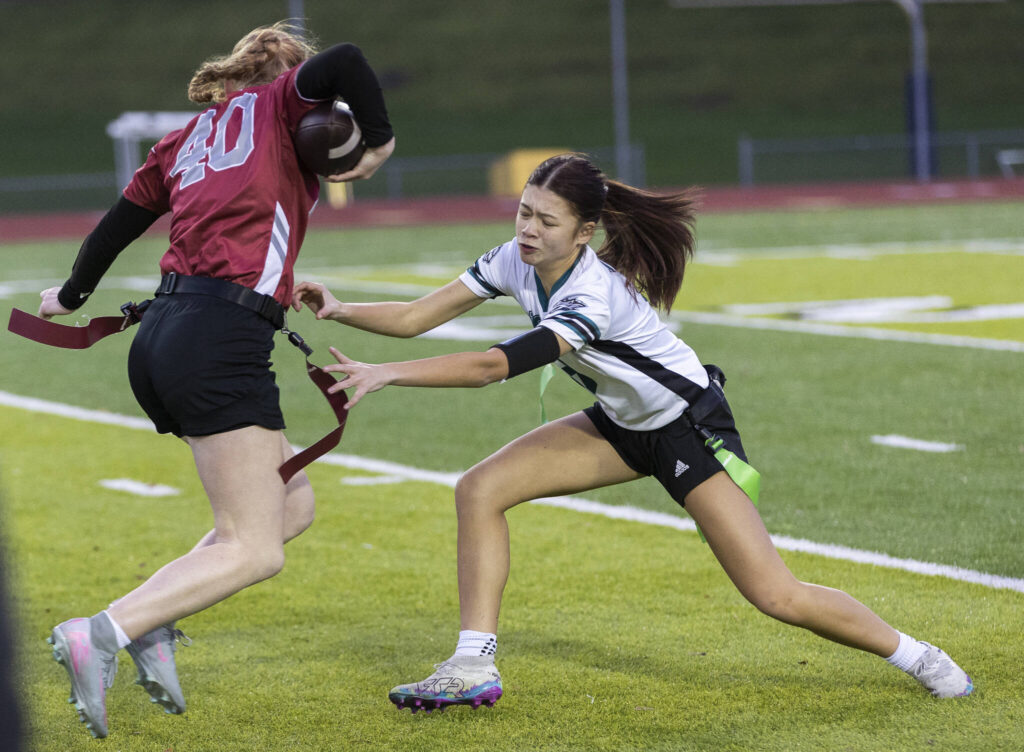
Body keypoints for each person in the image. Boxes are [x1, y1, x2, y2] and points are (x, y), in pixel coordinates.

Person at [292, 153, 973, 712]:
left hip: (686, 431)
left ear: (584, 232)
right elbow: (417, 314)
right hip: (620, 423)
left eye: (546, 221)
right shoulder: (511, 258)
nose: (527, 229)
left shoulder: (592, 297)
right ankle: (472, 663)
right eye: (524, 211)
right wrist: (341, 308)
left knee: (774, 594)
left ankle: (923, 658)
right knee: (480, 489)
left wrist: (387, 376)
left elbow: (490, 366)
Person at [37, 22, 395, 739]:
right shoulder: (280, 103)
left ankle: (153, 623)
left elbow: (118, 224)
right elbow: (348, 61)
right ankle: (104, 633)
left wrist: (72, 296)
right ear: (290, 80)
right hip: (216, 340)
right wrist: (379, 144)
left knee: (291, 506)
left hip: (170, 331)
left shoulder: (184, 139)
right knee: (255, 546)